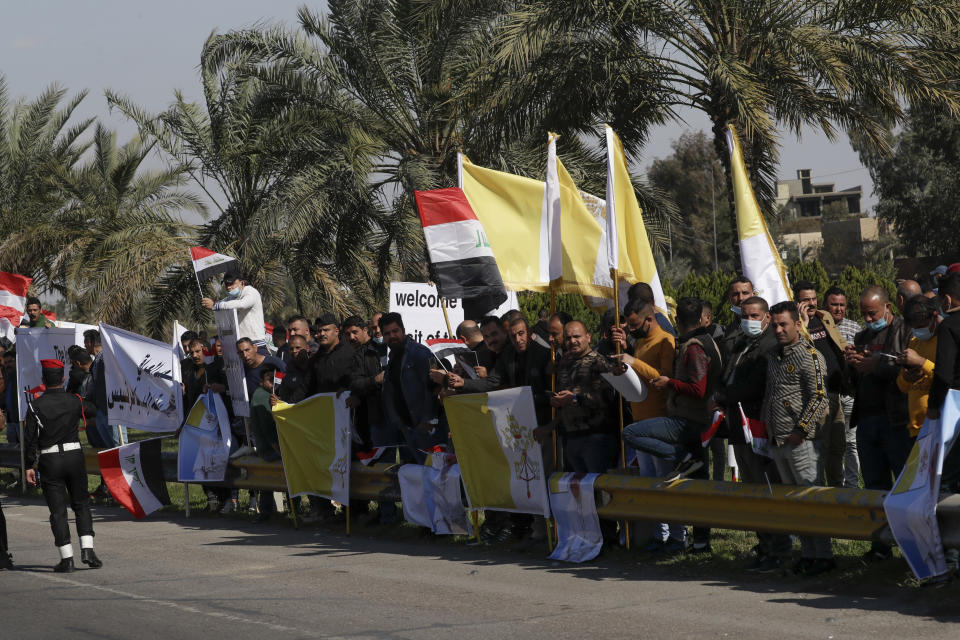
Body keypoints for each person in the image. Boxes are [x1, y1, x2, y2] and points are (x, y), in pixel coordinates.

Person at [622, 298, 722, 553]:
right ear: (702, 318)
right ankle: (700, 543)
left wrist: (669, 383)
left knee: (631, 433)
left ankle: (683, 457)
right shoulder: (701, 342)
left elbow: (697, 389)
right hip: (694, 419)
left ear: (677, 322)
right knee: (699, 486)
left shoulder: (694, 347)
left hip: (688, 420)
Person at [713, 296, 792, 571]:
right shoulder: (742, 344)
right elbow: (727, 376)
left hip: (758, 427)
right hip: (739, 427)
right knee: (753, 491)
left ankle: (780, 549)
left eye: (755, 316)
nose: (749, 321)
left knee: (767, 490)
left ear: (767, 317)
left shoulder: (769, 346)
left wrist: (723, 396)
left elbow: (753, 386)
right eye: (745, 316)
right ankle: (765, 546)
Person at [762, 301, 832, 576]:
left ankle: (824, 556)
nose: (778, 330)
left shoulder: (809, 355)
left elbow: (819, 396)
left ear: (797, 324)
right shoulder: (774, 356)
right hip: (778, 440)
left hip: (801, 441)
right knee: (794, 502)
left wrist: (800, 431)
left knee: (811, 498)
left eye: (784, 324)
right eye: (775, 325)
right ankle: (808, 553)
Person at [844, 285, 911, 562]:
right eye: (864, 315)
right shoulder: (861, 336)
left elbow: (911, 368)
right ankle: (880, 545)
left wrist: (877, 366)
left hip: (896, 419)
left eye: (872, 314)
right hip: (868, 418)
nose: (869, 320)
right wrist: (852, 362)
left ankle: (909, 542)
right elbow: (853, 381)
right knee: (874, 483)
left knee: (903, 484)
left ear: (887, 308)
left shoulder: (905, 331)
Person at [612, 298, 680, 552]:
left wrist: (634, 362)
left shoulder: (665, 342)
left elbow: (665, 379)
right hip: (640, 419)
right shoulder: (639, 342)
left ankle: (677, 535)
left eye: (634, 324)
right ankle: (658, 534)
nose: (631, 330)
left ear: (649, 319)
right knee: (649, 481)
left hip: (660, 421)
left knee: (665, 481)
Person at [24, 359, 102, 572]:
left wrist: (29, 465)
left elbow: (30, 438)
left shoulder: (35, 405)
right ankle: (88, 549)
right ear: (63, 379)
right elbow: (93, 410)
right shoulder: (75, 400)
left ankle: (67, 558)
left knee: (58, 511)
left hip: (50, 461)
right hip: (75, 457)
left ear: (43, 380)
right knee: (81, 504)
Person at [538, 321, 617, 474]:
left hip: (596, 438)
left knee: (596, 489)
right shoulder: (564, 364)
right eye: (568, 338)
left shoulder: (599, 362)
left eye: (577, 336)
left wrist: (575, 398)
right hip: (572, 438)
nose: (572, 341)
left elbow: (608, 398)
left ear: (588, 337)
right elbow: (565, 402)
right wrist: (555, 411)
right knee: (577, 492)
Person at [794, 280, 848, 488]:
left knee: (838, 447)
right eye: (806, 300)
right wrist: (804, 323)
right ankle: (820, 492)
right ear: (797, 301)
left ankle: (837, 489)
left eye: (814, 298)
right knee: (820, 448)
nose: (811, 303)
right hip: (817, 398)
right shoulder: (797, 325)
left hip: (834, 393)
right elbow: (798, 352)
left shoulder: (824, 317)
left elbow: (838, 344)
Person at [380, 312, 444, 464]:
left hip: (425, 428)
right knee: (420, 472)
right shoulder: (392, 358)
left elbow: (433, 388)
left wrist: (428, 419)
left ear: (403, 330)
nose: (392, 336)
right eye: (387, 333)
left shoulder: (420, 353)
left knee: (434, 470)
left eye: (395, 331)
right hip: (407, 427)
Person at [824, 285, 862, 488]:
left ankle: (853, 486)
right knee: (830, 444)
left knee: (851, 443)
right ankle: (833, 483)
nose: (838, 309)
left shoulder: (854, 328)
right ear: (825, 305)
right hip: (827, 394)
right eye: (834, 304)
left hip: (848, 394)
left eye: (842, 305)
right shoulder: (818, 327)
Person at [931, 273, 960, 490]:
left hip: (956, 407)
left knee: (948, 476)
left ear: (947, 300)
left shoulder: (949, 326)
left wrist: (933, 406)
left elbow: (943, 373)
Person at [896, 296, 939, 437]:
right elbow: (902, 387)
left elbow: (947, 377)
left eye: (921, 327)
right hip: (915, 430)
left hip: (938, 427)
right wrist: (906, 378)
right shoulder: (915, 343)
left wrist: (921, 362)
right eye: (914, 328)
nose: (918, 332)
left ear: (934, 316)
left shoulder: (944, 341)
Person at [202, 271, 268, 352]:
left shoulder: (251, 291)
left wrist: (215, 305)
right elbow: (220, 304)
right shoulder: (231, 298)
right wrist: (209, 304)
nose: (229, 287)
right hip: (241, 346)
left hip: (256, 344)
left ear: (242, 283)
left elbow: (242, 304)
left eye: (231, 283)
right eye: (226, 284)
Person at [250, 366, 281, 523]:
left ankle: (266, 510)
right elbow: (266, 424)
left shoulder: (267, 394)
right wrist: (276, 445)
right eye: (270, 380)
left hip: (266, 448)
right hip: (270, 448)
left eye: (274, 379)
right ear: (261, 381)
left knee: (267, 479)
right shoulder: (262, 396)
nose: (273, 383)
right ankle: (295, 507)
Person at [275, 335, 311, 404]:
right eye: (291, 349)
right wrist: (277, 400)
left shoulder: (316, 366)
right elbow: (284, 397)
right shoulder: (288, 372)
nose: (294, 351)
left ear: (307, 348)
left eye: (298, 348)